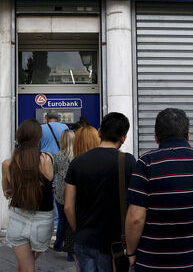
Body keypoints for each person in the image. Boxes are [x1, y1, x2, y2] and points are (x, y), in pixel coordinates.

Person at [126, 108, 193, 272]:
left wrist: (130, 253)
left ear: (156, 136)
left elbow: (136, 218)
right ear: (188, 135)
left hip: (153, 262)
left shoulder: (146, 163)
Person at [65, 112, 136, 272]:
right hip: (114, 244)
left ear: (99, 132)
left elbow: (68, 206)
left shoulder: (77, 162)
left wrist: (80, 230)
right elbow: (134, 206)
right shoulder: (128, 161)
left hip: (85, 240)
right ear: (123, 138)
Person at [2, 119, 54, 272]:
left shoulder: (8, 164)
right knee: (28, 265)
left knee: (25, 266)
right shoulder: (46, 159)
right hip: (43, 219)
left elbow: (6, 192)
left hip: (18, 216)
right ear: (39, 138)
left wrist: (13, 189)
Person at [64, 125, 101, 267]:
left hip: (81, 227)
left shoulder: (75, 165)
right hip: (105, 229)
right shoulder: (108, 163)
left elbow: (68, 206)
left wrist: (76, 228)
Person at [40, 109, 69, 231]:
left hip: (44, 161)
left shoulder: (41, 128)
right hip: (61, 161)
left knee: (44, 192)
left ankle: (45, 224)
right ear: (58, 118)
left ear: (46, 117)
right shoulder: (64, 127)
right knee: (58, 193)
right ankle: (57, 225)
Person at [52, 129, 75, 261]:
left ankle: (58, 244)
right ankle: (71, 253)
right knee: (72, 222)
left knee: (62, 220)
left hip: (61, 192)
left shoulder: (57, 156)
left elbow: (54, 171)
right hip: (74, 192)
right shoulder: (78, 156)